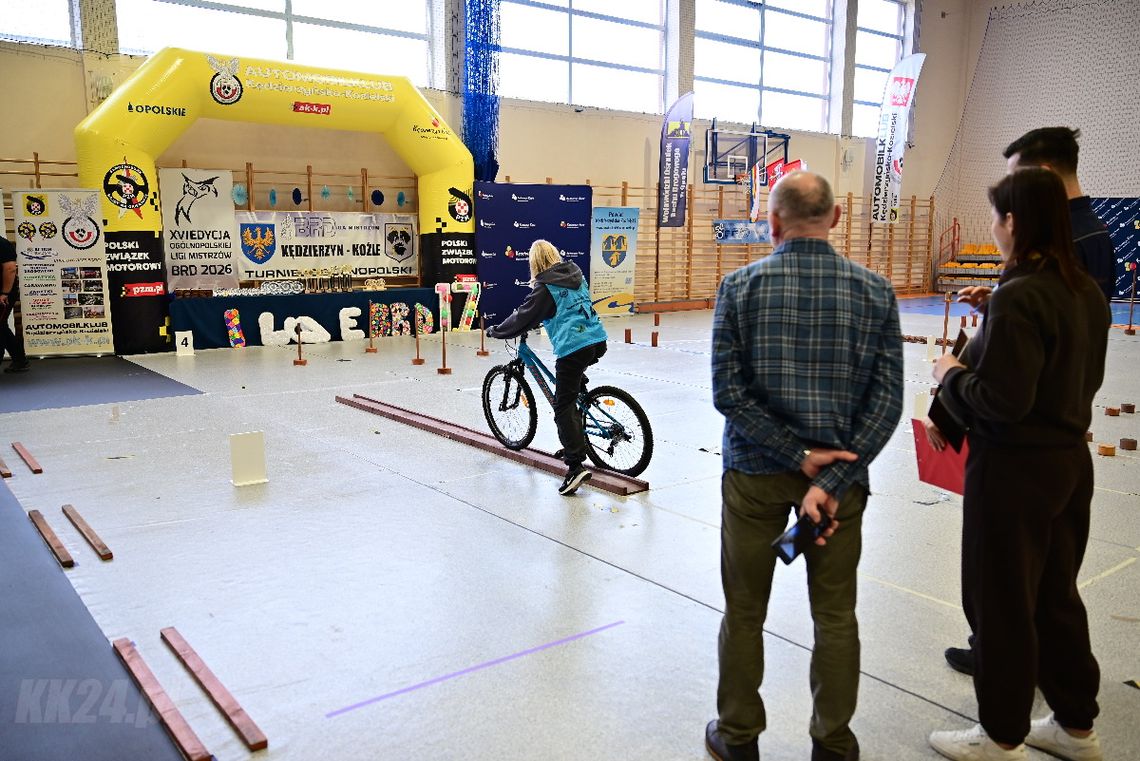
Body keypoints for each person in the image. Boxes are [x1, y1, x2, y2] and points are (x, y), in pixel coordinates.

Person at [705, 171, 903, 761]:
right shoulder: (876, 292)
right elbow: (887, 401)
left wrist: (794, 455)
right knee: (836, 615)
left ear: (772, 224)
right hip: (840, 490)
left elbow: (728, 395)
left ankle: (737, 736)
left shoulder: (738, 287)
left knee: (744, 611)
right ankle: (833, 743)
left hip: (754, 476)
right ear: (836, 219)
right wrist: (831, 475)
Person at [927, 168, 1110, 761]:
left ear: (1012, 222)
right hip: (1067, 464)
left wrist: (951, 375)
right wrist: (999, 313)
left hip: (1013, 471)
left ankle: (1002, 733)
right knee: (1056, 595)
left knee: (1000, 600)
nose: (993, 228)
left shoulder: (1021, 295)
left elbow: (1001, 403)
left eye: (995, 217)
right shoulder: (1083, 289)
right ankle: (1075, 724)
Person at [485, 239, 607, 496]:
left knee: (562, 405)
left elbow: (524, 316)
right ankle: (575, 436)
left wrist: (497, 331)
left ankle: (575, 466)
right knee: (572, 390)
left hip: (575, 348)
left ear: (535, 263)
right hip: (597, 340)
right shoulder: (574, 273)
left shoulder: (545, 287)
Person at [0, 233, 29, 373]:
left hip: (3, 294)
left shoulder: (2, 244)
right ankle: (19, 360)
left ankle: (20, 360)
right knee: (1, 326)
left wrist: (4, 293)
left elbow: (10, 268)